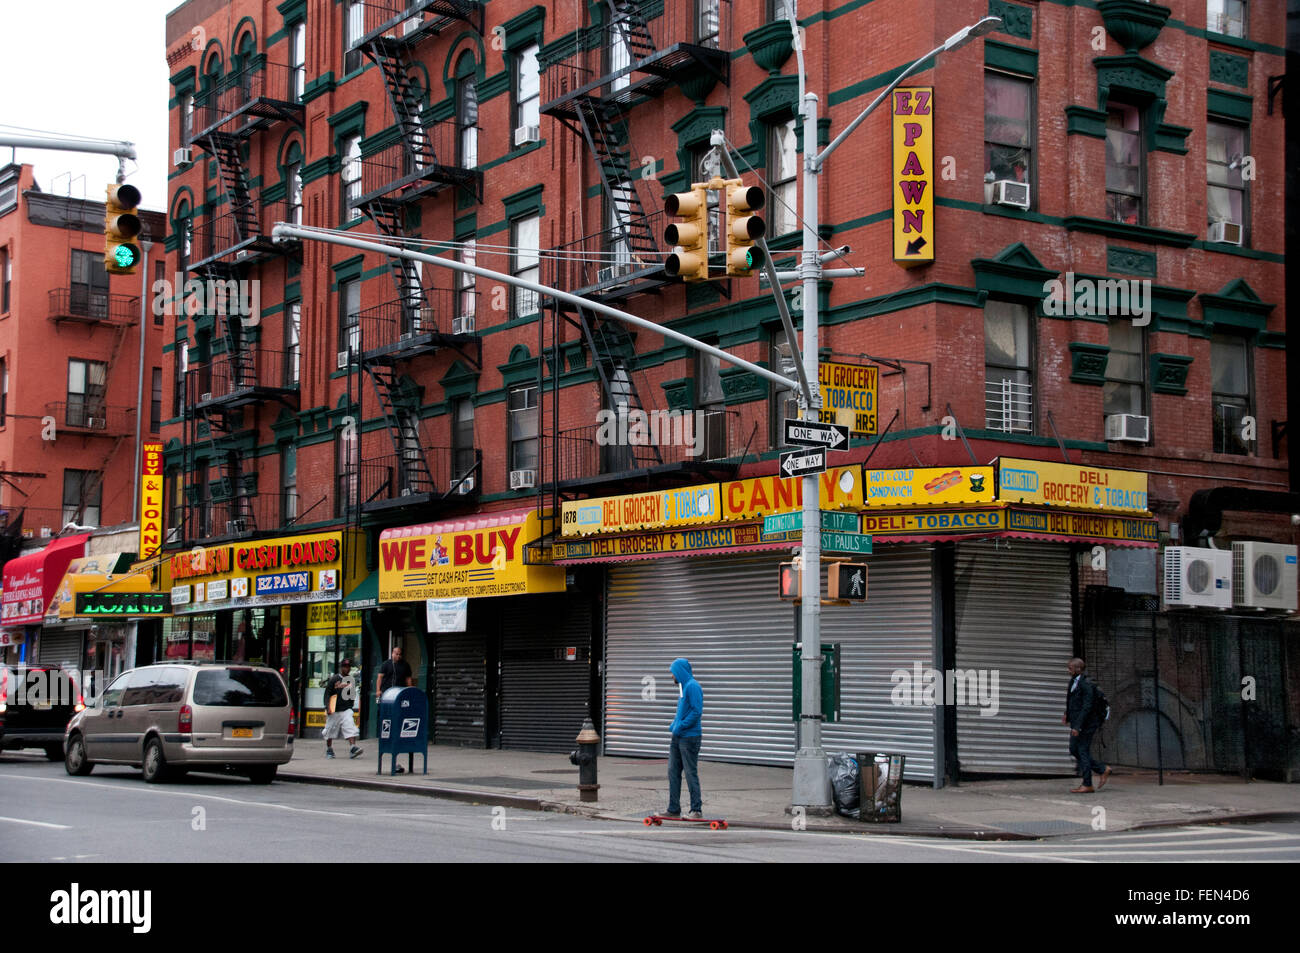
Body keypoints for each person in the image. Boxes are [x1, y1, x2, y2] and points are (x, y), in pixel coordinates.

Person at [1063, 657, 1111, 793]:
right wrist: (1067, 713)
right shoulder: (1073, 681)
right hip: (1077, 722)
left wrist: (1078, 726)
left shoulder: (1086, 684)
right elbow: (1072, 700)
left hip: (1087, 723)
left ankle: (1087, 783)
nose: (1068, 670)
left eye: (1070, 668)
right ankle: (1102, 769)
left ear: (1078, 669)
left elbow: (1087, 707)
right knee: (1074, 749)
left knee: (1082, 749)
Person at [665, 657, 703, 818]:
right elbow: (683, 711)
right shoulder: (683, 687)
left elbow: (696, 712)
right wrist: (674, 724)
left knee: (690, 773)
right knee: (673, 772)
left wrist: (680, 726)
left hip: (690, 738)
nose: (672, 676)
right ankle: (673, 809)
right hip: (678, 737)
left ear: (680, 672)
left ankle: (696, 810)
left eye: (673, 673)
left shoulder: (693, 686)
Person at [375, 645, 414, 772]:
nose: (398, 656)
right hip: (387, 695)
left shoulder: (405, 665)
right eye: (396, 653)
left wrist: (410, 691)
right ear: (392, 653)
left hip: (400, 695)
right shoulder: (386, 664)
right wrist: (378, 691)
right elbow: (380, 677)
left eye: (399, 654)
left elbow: (408, 679)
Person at [322, 658, 363, 760]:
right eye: (345, 666)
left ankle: (353, 748)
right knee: (330, 730)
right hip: (334, 709)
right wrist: (328, 707)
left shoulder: (351, 680)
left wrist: (350, 705)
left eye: (349, 667)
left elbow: (352, 695)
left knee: (350, 726)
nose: (347, 668)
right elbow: (327, 694)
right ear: (341, 668)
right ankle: (329, 749)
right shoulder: (334, 679)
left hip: (345, 709)